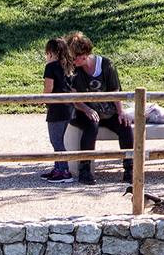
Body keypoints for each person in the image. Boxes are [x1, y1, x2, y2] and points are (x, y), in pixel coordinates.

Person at [64, 32, 132, 187]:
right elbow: (74, 98)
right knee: (91, 125)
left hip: (108, 110)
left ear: (84, 54)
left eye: (75, 57)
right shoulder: (72, 70)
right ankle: (85, 169)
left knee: (126, 127)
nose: (72, 61)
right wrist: (86, 109)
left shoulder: (106, 65)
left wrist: (121, 111)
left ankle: (130, 168)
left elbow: (115, 91)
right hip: (83, 111)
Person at [41, 38, 75, 183]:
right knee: (61, 139)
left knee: (56, 140)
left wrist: (43, 99)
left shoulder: (50, 67)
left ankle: (64, 171)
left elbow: (48, 88)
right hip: (69, 107)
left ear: (50, 52)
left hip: (56, 108)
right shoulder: (69, 66)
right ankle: (58, 168)